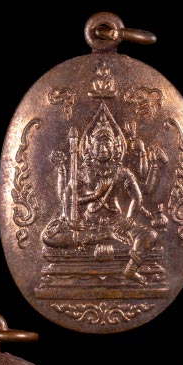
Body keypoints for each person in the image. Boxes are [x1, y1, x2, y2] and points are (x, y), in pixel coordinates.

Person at [42, 111, 167, 285]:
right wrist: (94, 196)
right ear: (89, 147)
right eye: (98, 144)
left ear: (116, 147)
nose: (102, 149)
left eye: (107, 144)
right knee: (48, 237)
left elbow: (137, 198)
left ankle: (130, 269)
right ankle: (103, 236)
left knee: (151, 235)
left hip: (116, 223)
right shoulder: (83, 172)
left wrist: (128, 220)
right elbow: (67, 198)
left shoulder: (122, 172)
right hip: (88, 224)